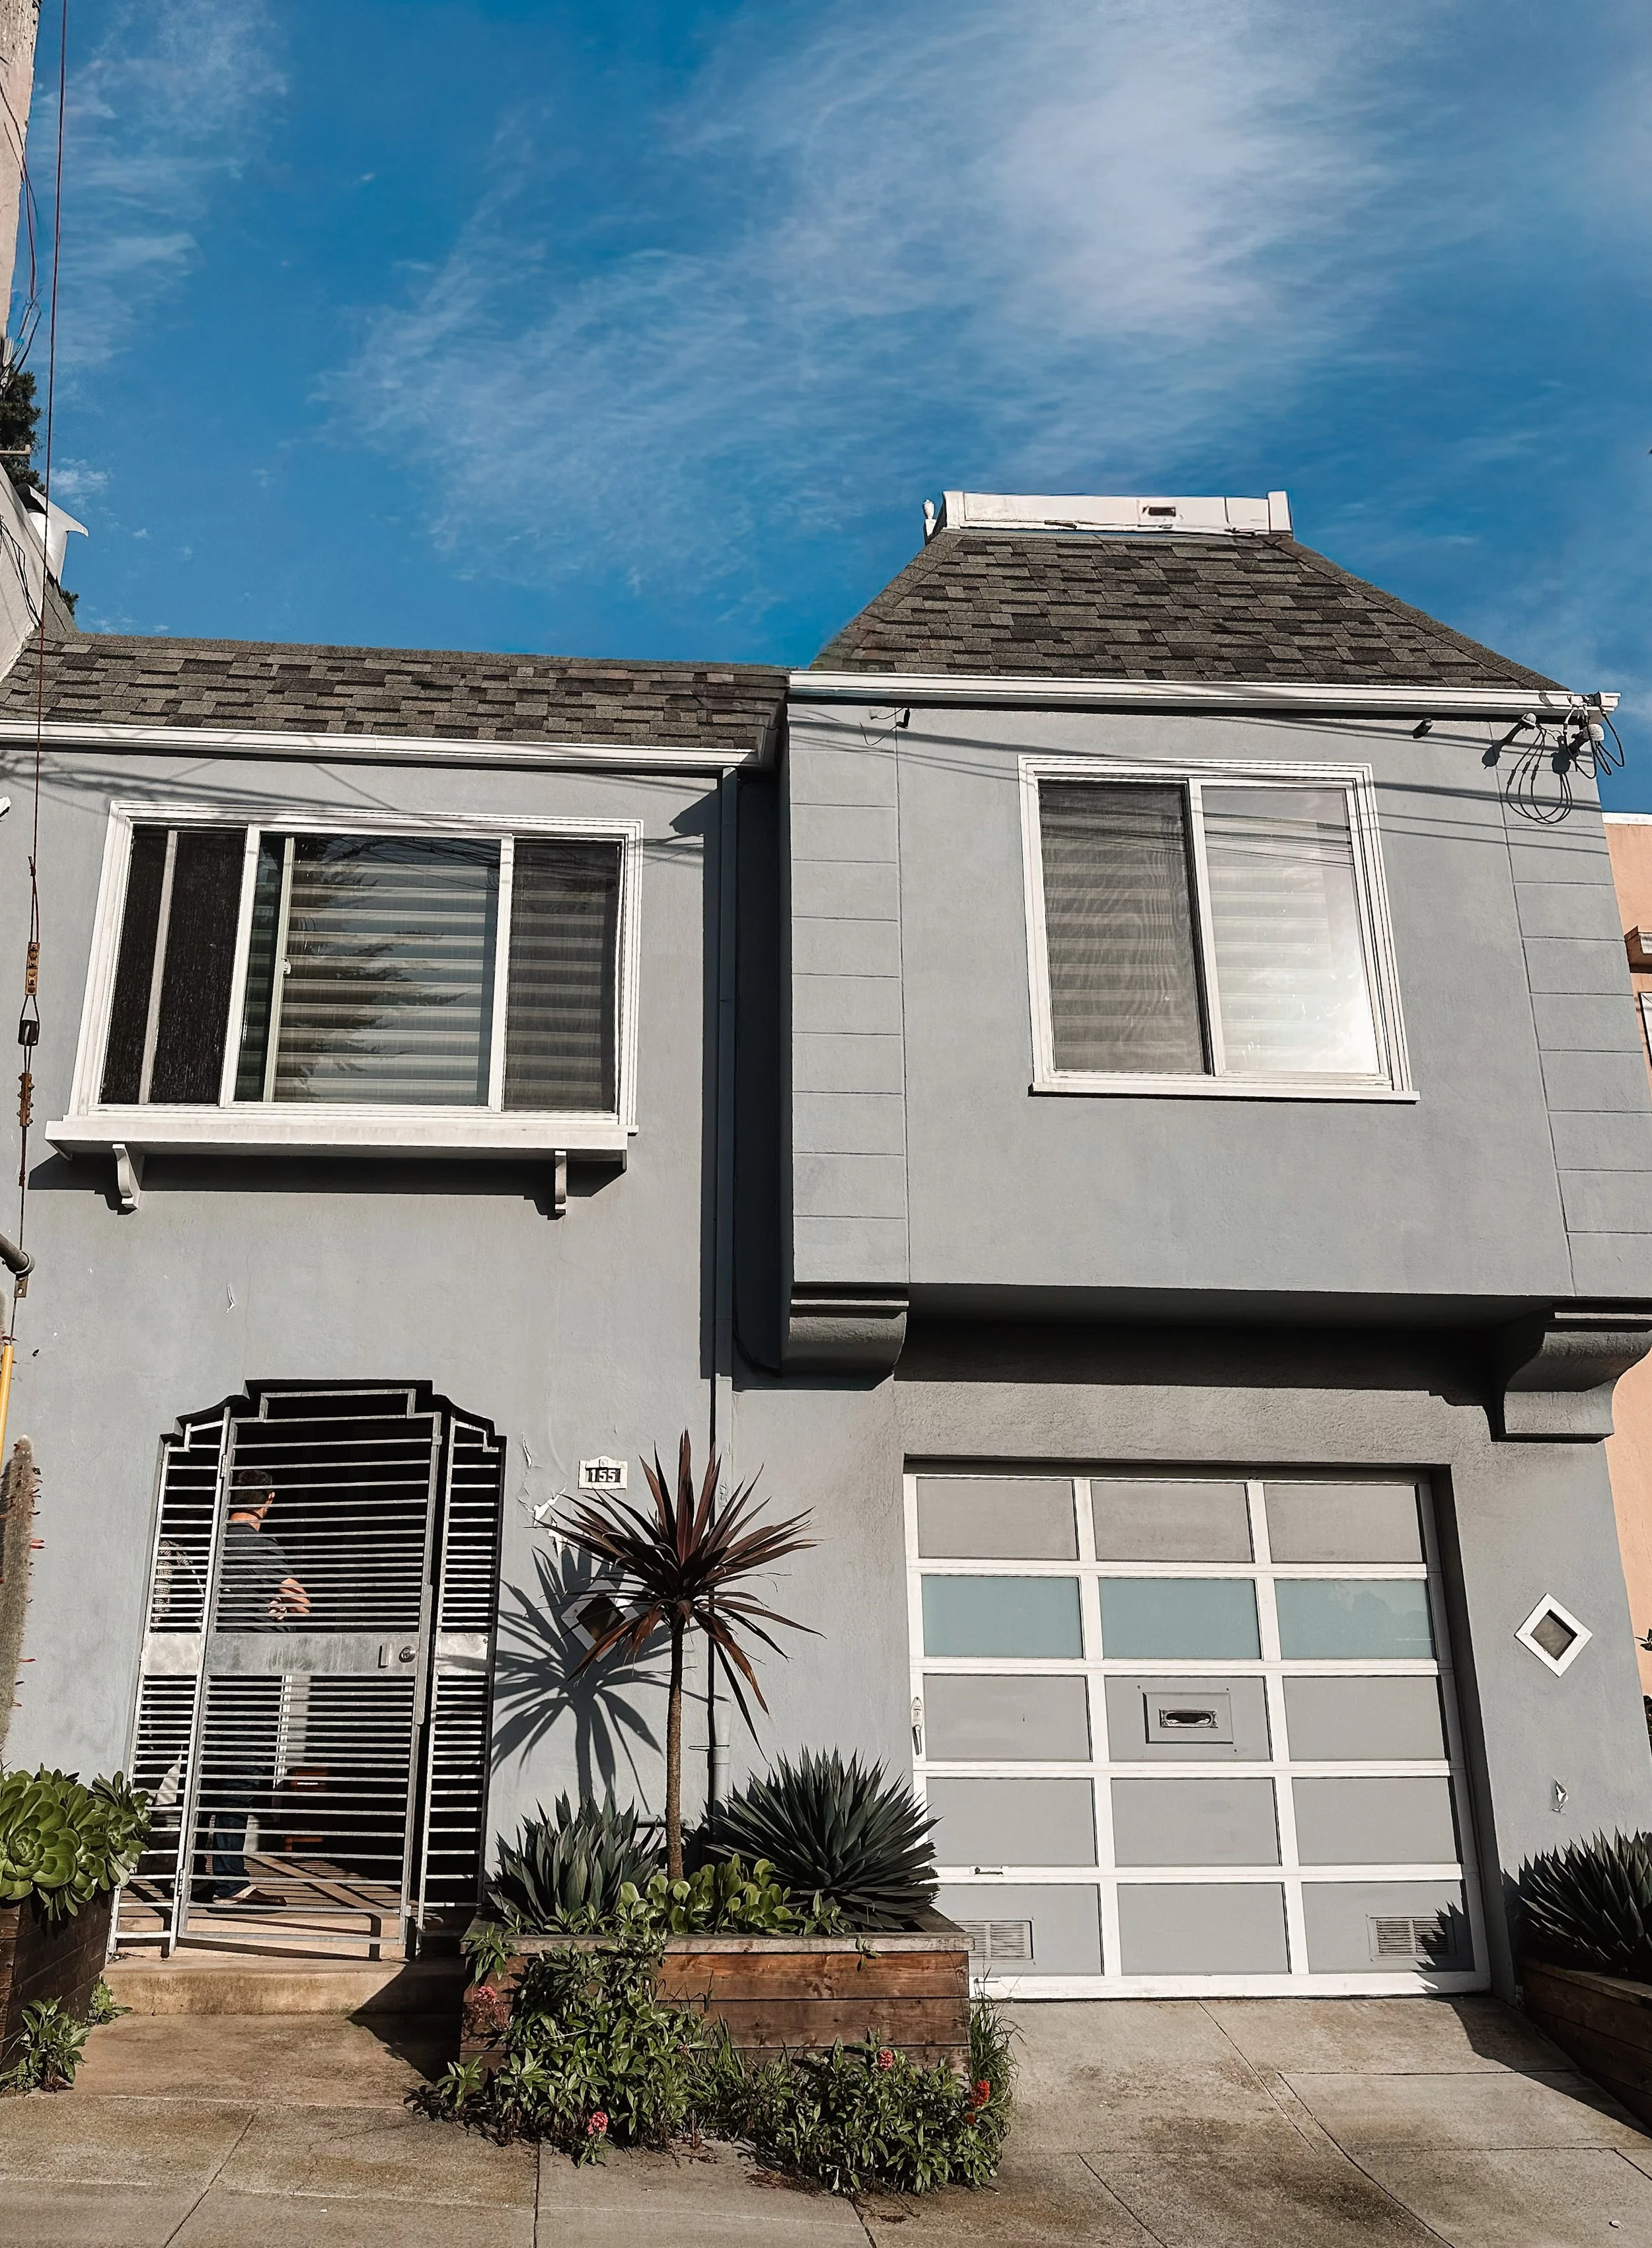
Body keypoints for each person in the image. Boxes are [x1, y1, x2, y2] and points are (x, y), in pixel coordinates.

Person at [201, 1469, 312, 1900]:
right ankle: (229, 1883)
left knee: (205, 1777)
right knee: (240, 1778)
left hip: (208, 1680)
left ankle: (194, 1878)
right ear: (268, 1500)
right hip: (248, 1682)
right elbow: (301, 1604)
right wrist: (275, 1612)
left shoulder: (212, 1545)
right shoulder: (261, 1547)